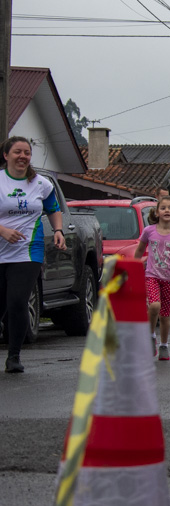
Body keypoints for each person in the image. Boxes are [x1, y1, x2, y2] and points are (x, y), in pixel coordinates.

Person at [0, 137, 65, 373]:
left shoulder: (41, 184)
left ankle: (14, 356)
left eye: (27, 152)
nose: (23, 156)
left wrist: (58, 230)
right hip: (0, 250)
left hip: (28, 251)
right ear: (6, 155)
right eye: (17, 152)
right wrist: (3, 230)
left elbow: (53, 209)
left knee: (17, 301)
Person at [134, 195, 170, 361]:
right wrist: (134, 265)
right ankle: (150, 335)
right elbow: (139, 250)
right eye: (163, 208)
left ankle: (164, 345)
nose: (167, 210)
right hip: (151, 275)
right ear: (157, 212)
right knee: (154, 306)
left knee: (165, 315)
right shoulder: (149, 231)